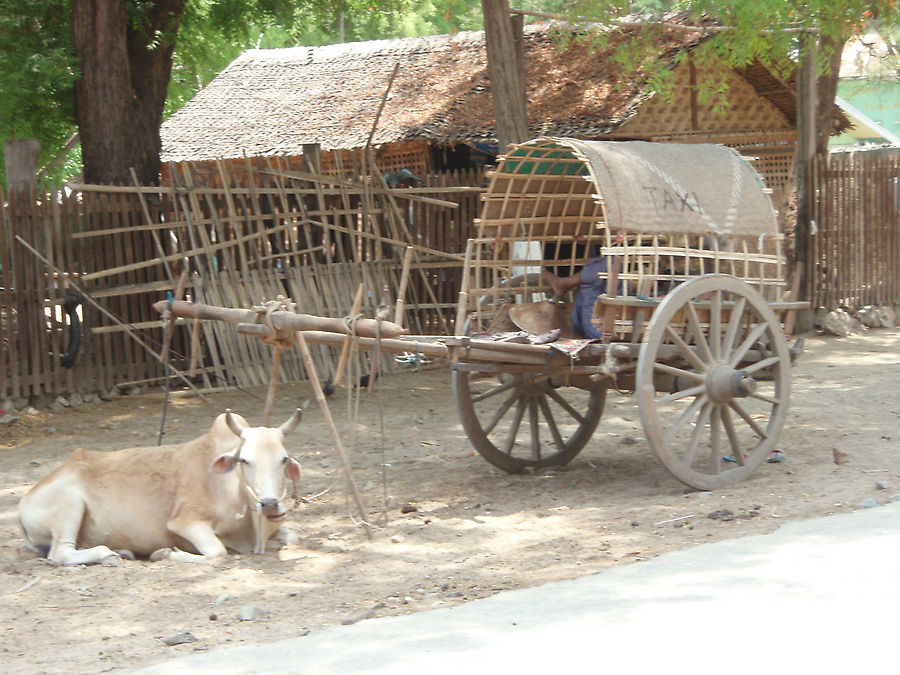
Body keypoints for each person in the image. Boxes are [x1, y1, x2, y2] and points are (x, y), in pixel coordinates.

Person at [542, 256, 609, 340]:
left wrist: (545, 273)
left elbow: (560, 286)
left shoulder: (605, 265)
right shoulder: (622, 266)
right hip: (618, 329)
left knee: (586, 291)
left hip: (598, 332)